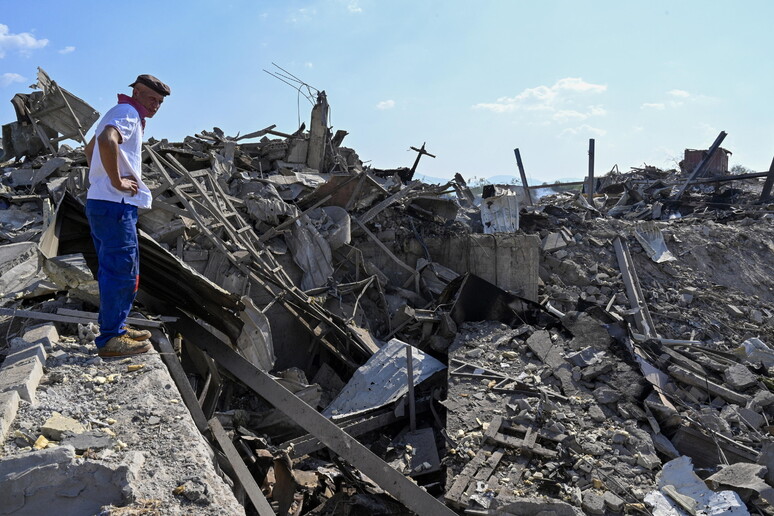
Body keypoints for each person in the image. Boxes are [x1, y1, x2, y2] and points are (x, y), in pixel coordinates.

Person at [84, 74, 170, 357]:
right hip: (115, 204)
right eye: (151, 98)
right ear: (136, 92)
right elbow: (108, 140)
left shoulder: (119, 111)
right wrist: (116, 181)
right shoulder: (129, 113)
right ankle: (111, 339)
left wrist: (101, 176)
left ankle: (116, 327)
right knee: (122, 270)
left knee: (115, 267)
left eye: (159, 101)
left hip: (103, 202)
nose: (155, 105)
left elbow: (90, 147)